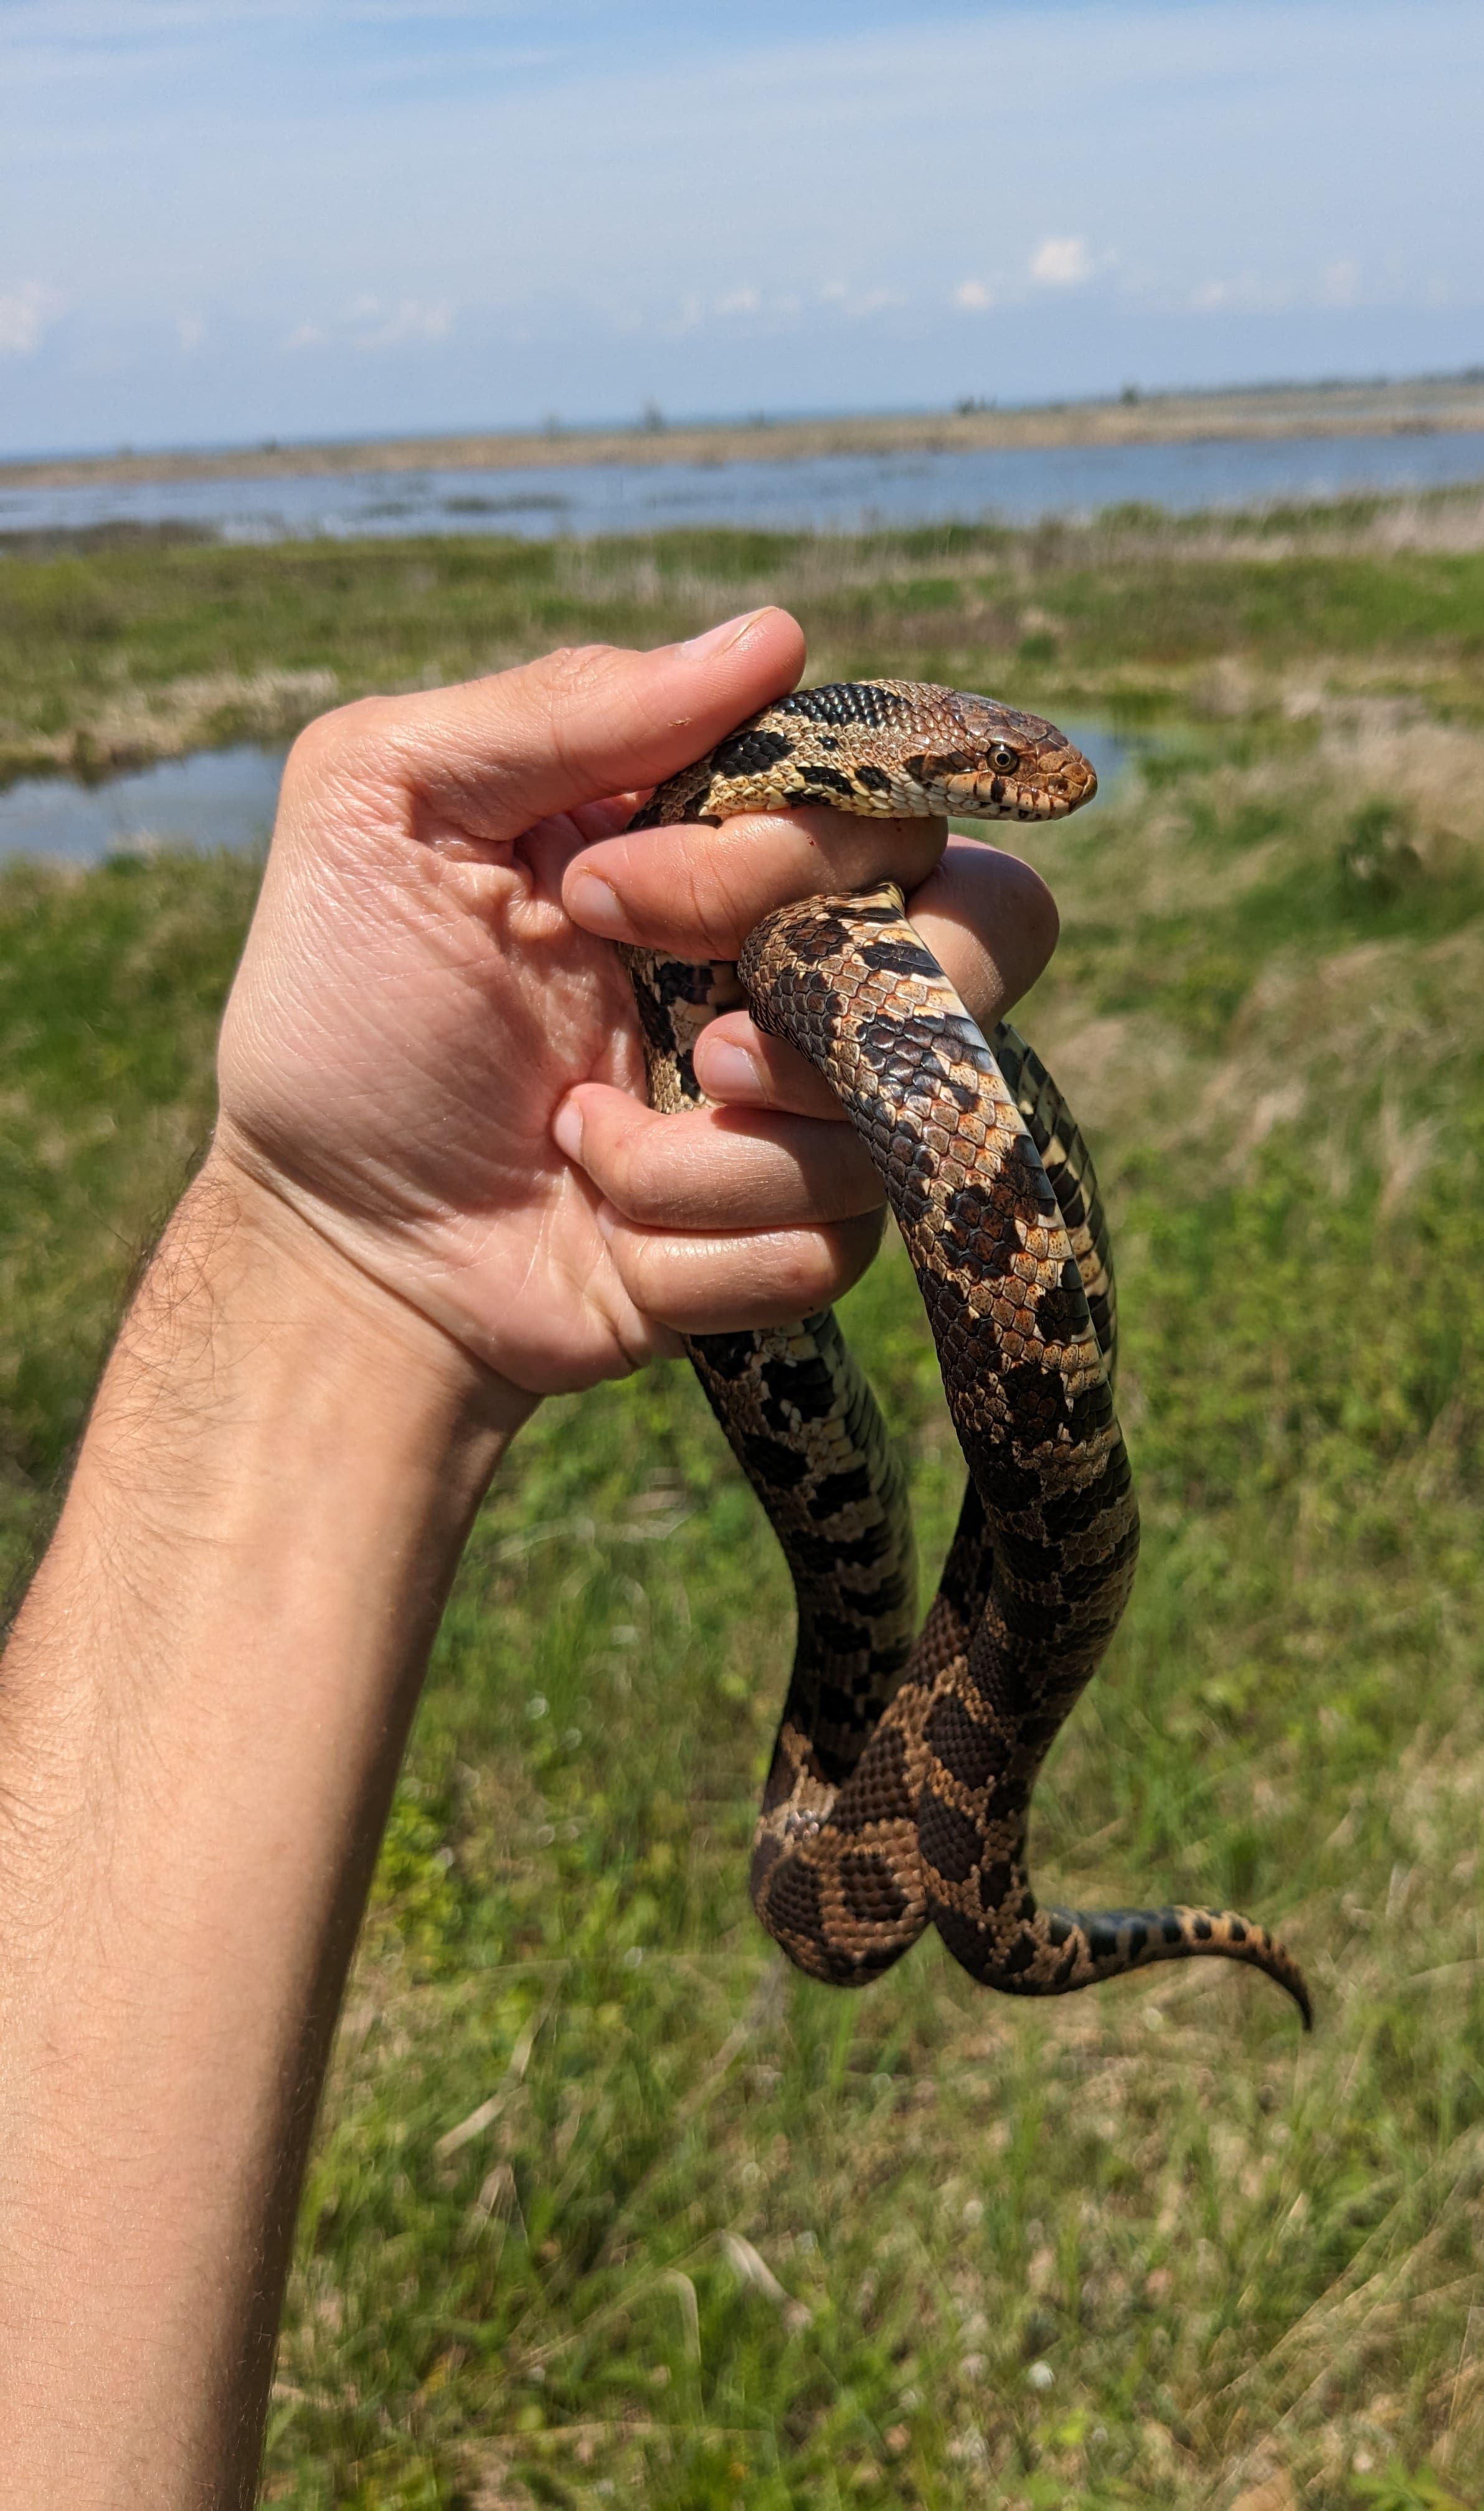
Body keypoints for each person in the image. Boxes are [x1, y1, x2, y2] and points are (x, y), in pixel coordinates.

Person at [0, 610, 1057, 2506]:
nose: (1038, 799)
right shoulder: (751, 787)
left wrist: (346, 1281)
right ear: (912, 768)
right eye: (998, 781)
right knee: (963, 1563)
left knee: (969, 1543)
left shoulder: (747, 825)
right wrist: (342, 1243)